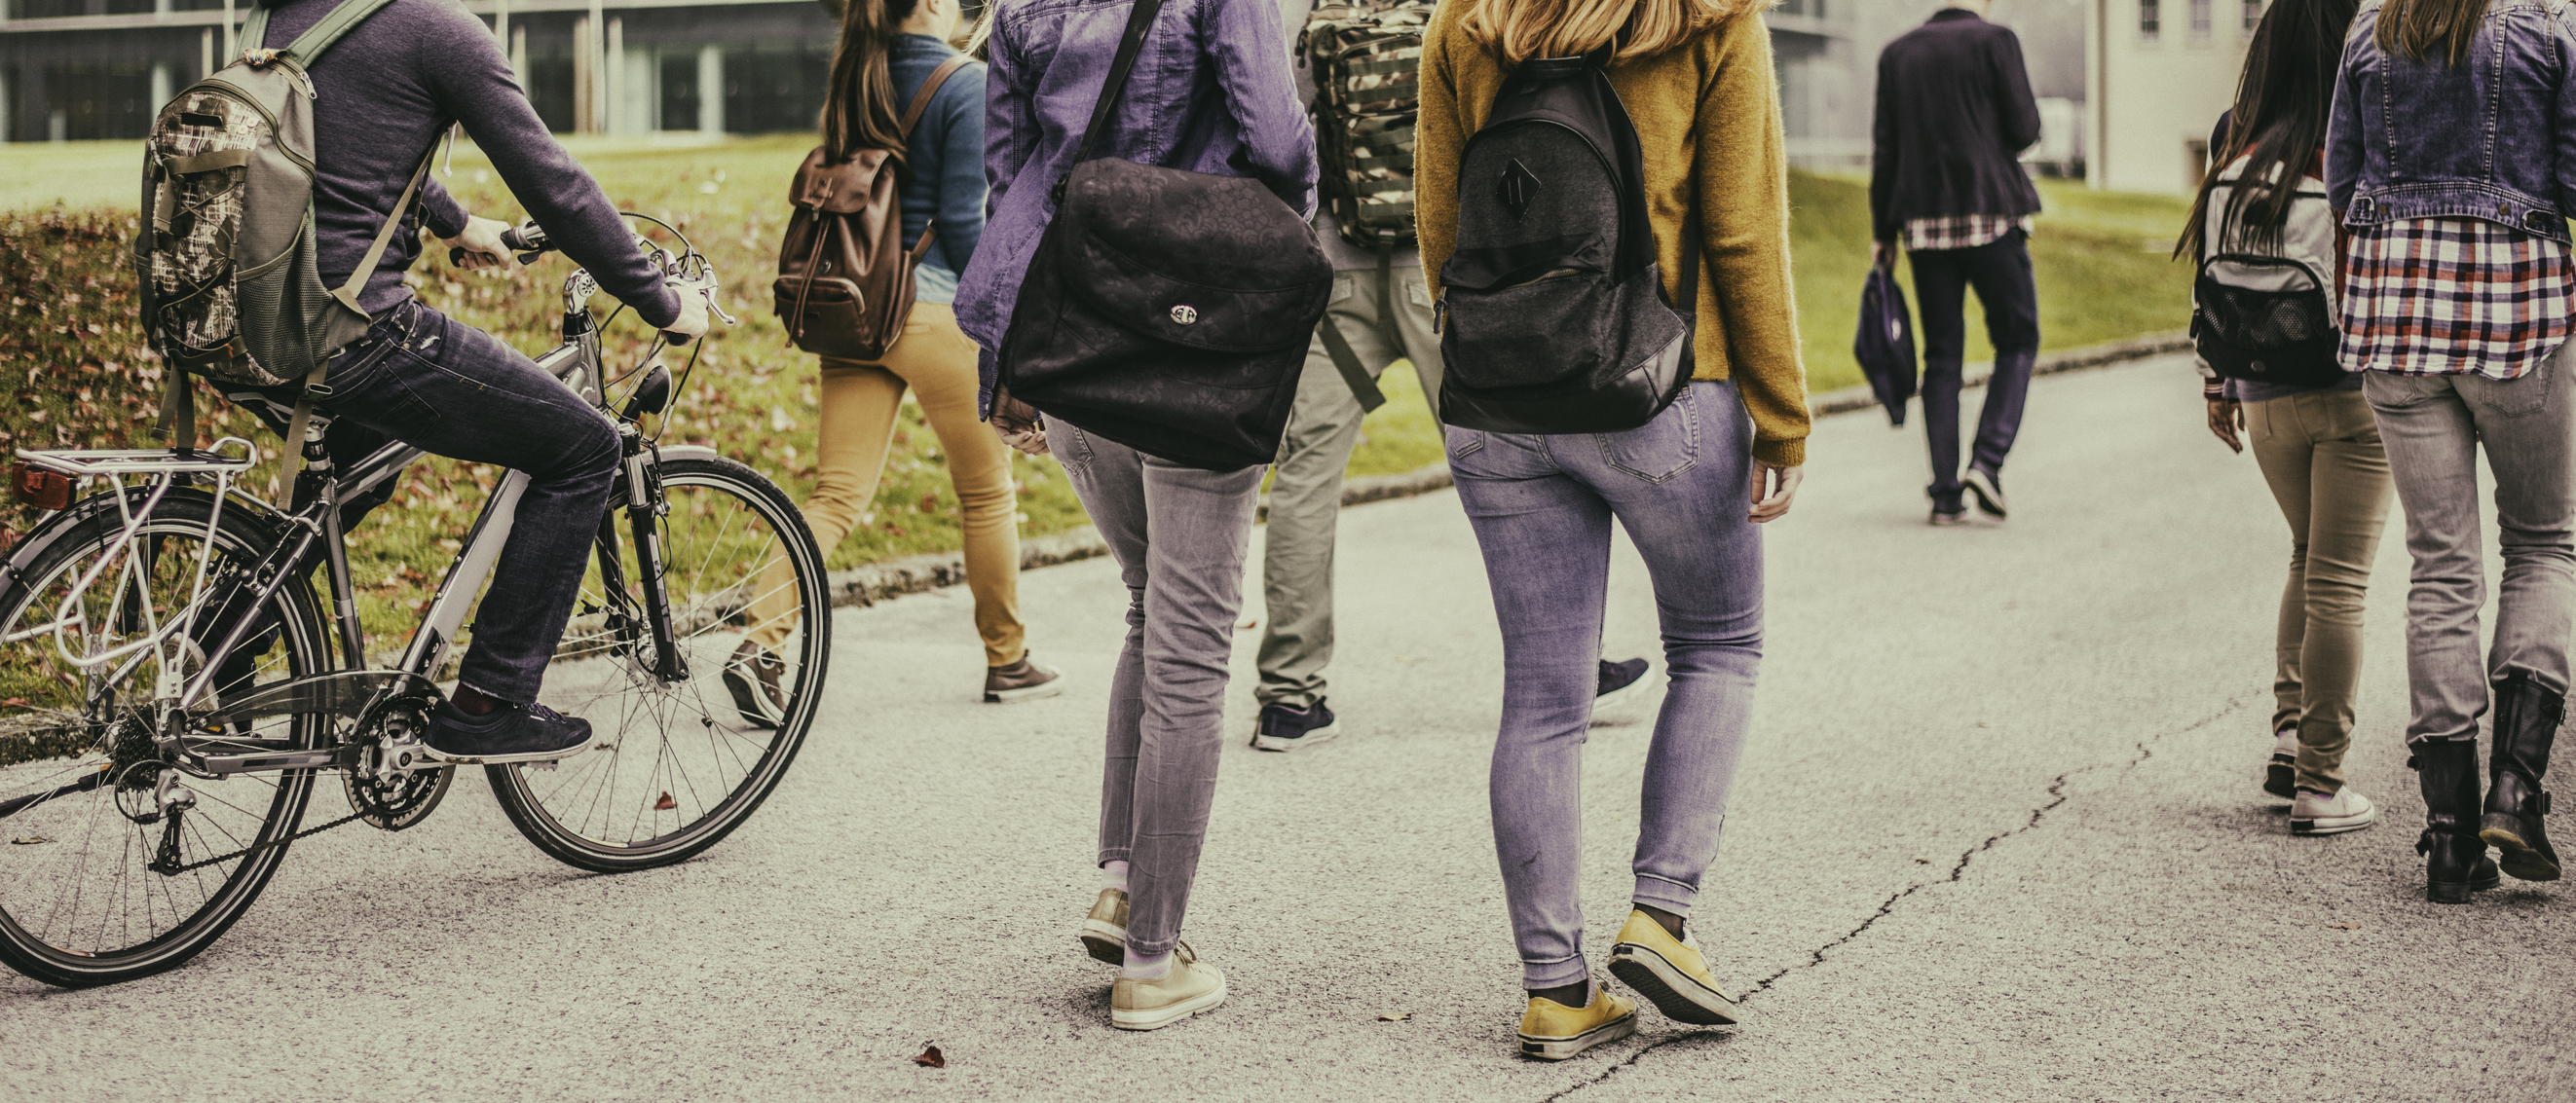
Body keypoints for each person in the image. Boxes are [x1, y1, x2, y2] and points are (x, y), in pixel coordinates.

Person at [1417, 0, 1808, 1060]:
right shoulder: (1707, 19)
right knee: (1717, 647)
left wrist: (1497, 351)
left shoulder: (1467, 20)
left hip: (1497, 400)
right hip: (1663, 388)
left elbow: (1438, 227)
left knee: (1541, 697)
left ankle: (1553, 990)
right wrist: (1780, 412)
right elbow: (1738, 226)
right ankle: (1660, 917)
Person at [954, 0, 1317, 1030]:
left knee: (1146, 606)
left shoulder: (1020, 6)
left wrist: (1007, 365)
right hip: (1194, 325)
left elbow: (1008, 180)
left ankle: (1120, 881)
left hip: (1073, 325)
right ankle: (1151, 959)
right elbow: (1280, 145)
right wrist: (1261, 254)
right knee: (1193, 643)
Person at [227, 0, 707, 761]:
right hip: (348, 331)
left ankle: (221, 645)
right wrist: (660, 299)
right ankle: (490, 702)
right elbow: (555, 183)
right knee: (584, 447)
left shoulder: (280, 20)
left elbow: (342, 146)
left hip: (239, 323)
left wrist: (454, 222)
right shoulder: (433, 28)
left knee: (363, 459)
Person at [1250, 0, 1650, 753]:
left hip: (1331, 276)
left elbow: (1277, 137)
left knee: (1306, 479)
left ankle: (1288, 699)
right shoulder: (1454, 16)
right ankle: (1571, 665)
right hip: (1437, 272)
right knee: (1512, 467)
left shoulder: (1306, 19)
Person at [730, 0, 1062, 724]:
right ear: (932, 4)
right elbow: (965, 224)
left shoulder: (856, 75)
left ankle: (758, 645)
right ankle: (1007, 659)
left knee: (836, 498)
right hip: (933, 312)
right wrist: (1002, 323)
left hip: (856, 311)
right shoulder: (963, 84)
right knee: (986, 493)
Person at [2329, 0, 2571, 901]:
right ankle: (2515, 786)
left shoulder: (2369, 30)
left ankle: (2448, 833)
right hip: (2516, 318)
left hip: (2395, 323)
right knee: (2542, 543)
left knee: (2440, 568)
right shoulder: (2543, 33)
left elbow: (2342, 181)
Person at [2181, 0, 2383, 836]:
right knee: (2338, 577)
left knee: (2305, 556)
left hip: (2260, 392)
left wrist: (2216, 381)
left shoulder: (2239, 128)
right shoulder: (2366, 126)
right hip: (2349, 393)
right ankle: (2321, 781)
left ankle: (2287, 735)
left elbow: (2210, 271)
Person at [1869, 0, 2041, 526]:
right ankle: (1986, 461)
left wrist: (1883, 234)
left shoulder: (1896, 55)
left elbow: (1885, 151)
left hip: (1923, 227)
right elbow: (2025, 129)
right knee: (2017, 337)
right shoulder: (1996, 41)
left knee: (1942, 357)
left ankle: (1945, 494)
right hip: (1991, 217)